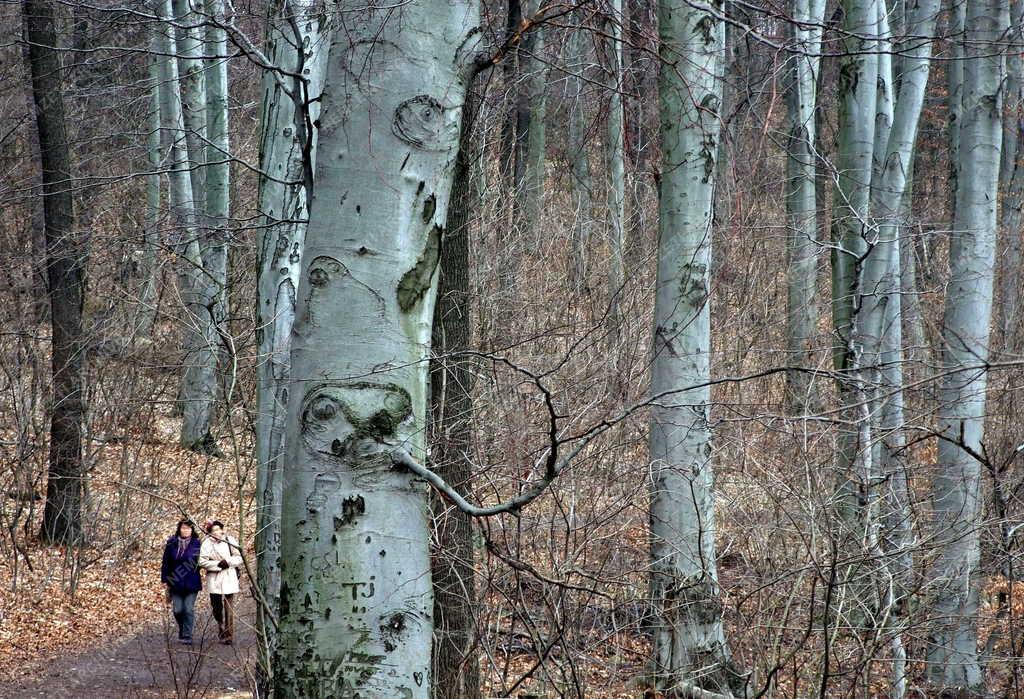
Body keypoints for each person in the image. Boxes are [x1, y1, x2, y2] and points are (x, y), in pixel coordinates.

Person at [199, 519, 243, 644]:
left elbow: (239, 556)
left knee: (229, 606)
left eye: (219, 529)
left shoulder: (230, 540)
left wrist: (228, 562)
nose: (218, 532)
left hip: (229, 575)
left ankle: (229, 634)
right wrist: (218, 564)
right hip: (214, 577)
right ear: (210, 533)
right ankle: (221, 625)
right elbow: (202, 561)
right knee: (216, 606)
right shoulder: (207, 543)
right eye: (214, 530)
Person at [160, 519, 202, 645]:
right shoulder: (171, 543)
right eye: (183, 528)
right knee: (177, 610)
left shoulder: (197, 544)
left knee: (188, 609)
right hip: (175, 582)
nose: (186, 531)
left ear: (192, 530)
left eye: (188, 528)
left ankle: (187, 635)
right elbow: (166, 562)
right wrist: (165, 579)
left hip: (192, 582)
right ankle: (182, 628)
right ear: (179, 529)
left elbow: (202, 561)